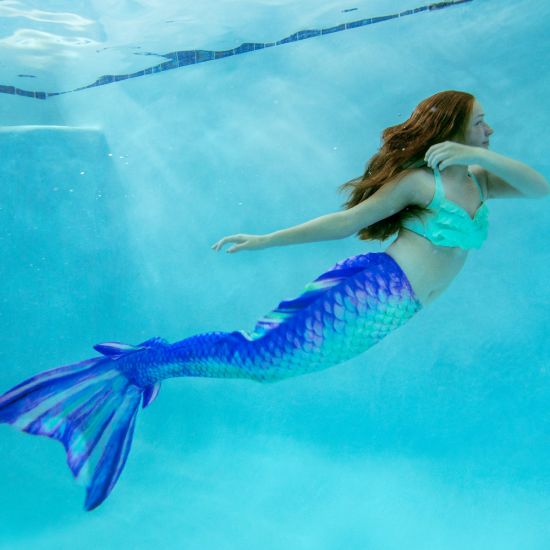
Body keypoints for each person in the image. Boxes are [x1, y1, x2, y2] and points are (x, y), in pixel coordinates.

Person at [0, 91, 547, 512]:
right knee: (262, 361)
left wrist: (477, 153)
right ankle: (142, 364)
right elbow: (347, 222)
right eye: (479, 121)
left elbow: (541, 186)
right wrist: (264, 240)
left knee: (266, 366)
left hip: (396, 309)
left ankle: (146, 362)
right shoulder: (418, 183)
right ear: (452, 126)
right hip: (371, 293)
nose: (490, 128)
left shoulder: (477, 179)